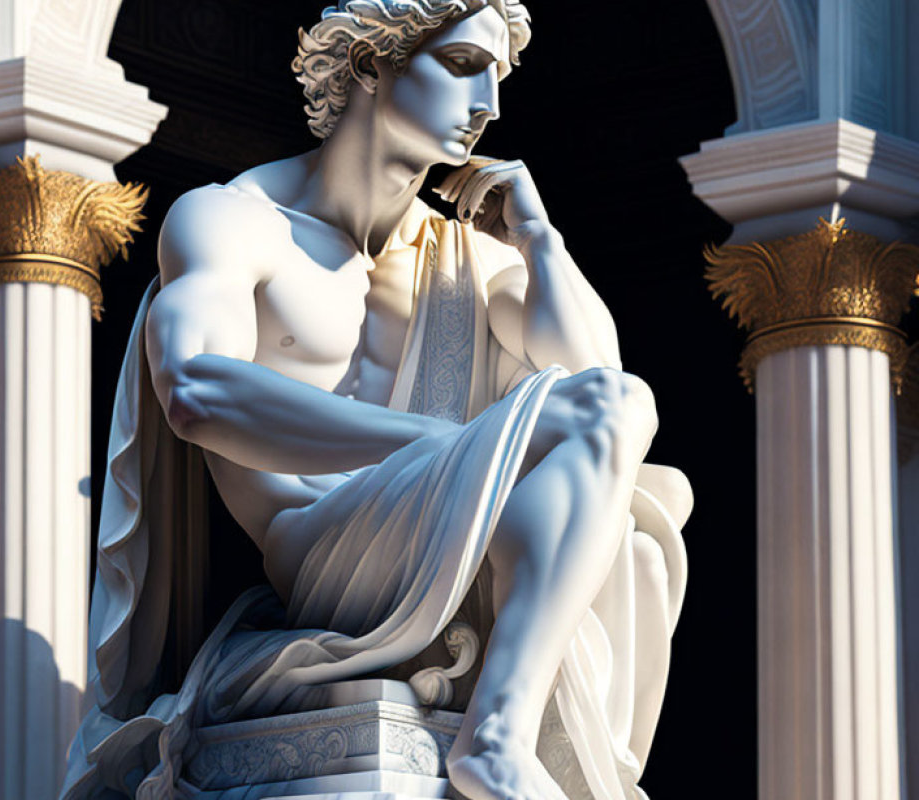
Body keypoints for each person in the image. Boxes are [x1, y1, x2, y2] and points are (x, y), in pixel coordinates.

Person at [63, 1, 692, 798]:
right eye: (465, 65)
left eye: (499, 76)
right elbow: (196, 391)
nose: (489, 104)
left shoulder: (469, 255)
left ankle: (499, 731)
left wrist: (539, 237)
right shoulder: (233, 220)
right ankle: (495, 739)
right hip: (317, 549)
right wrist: (436, 442)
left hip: (444, 528)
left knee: (636, 509)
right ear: (369, 65)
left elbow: (599, 383)